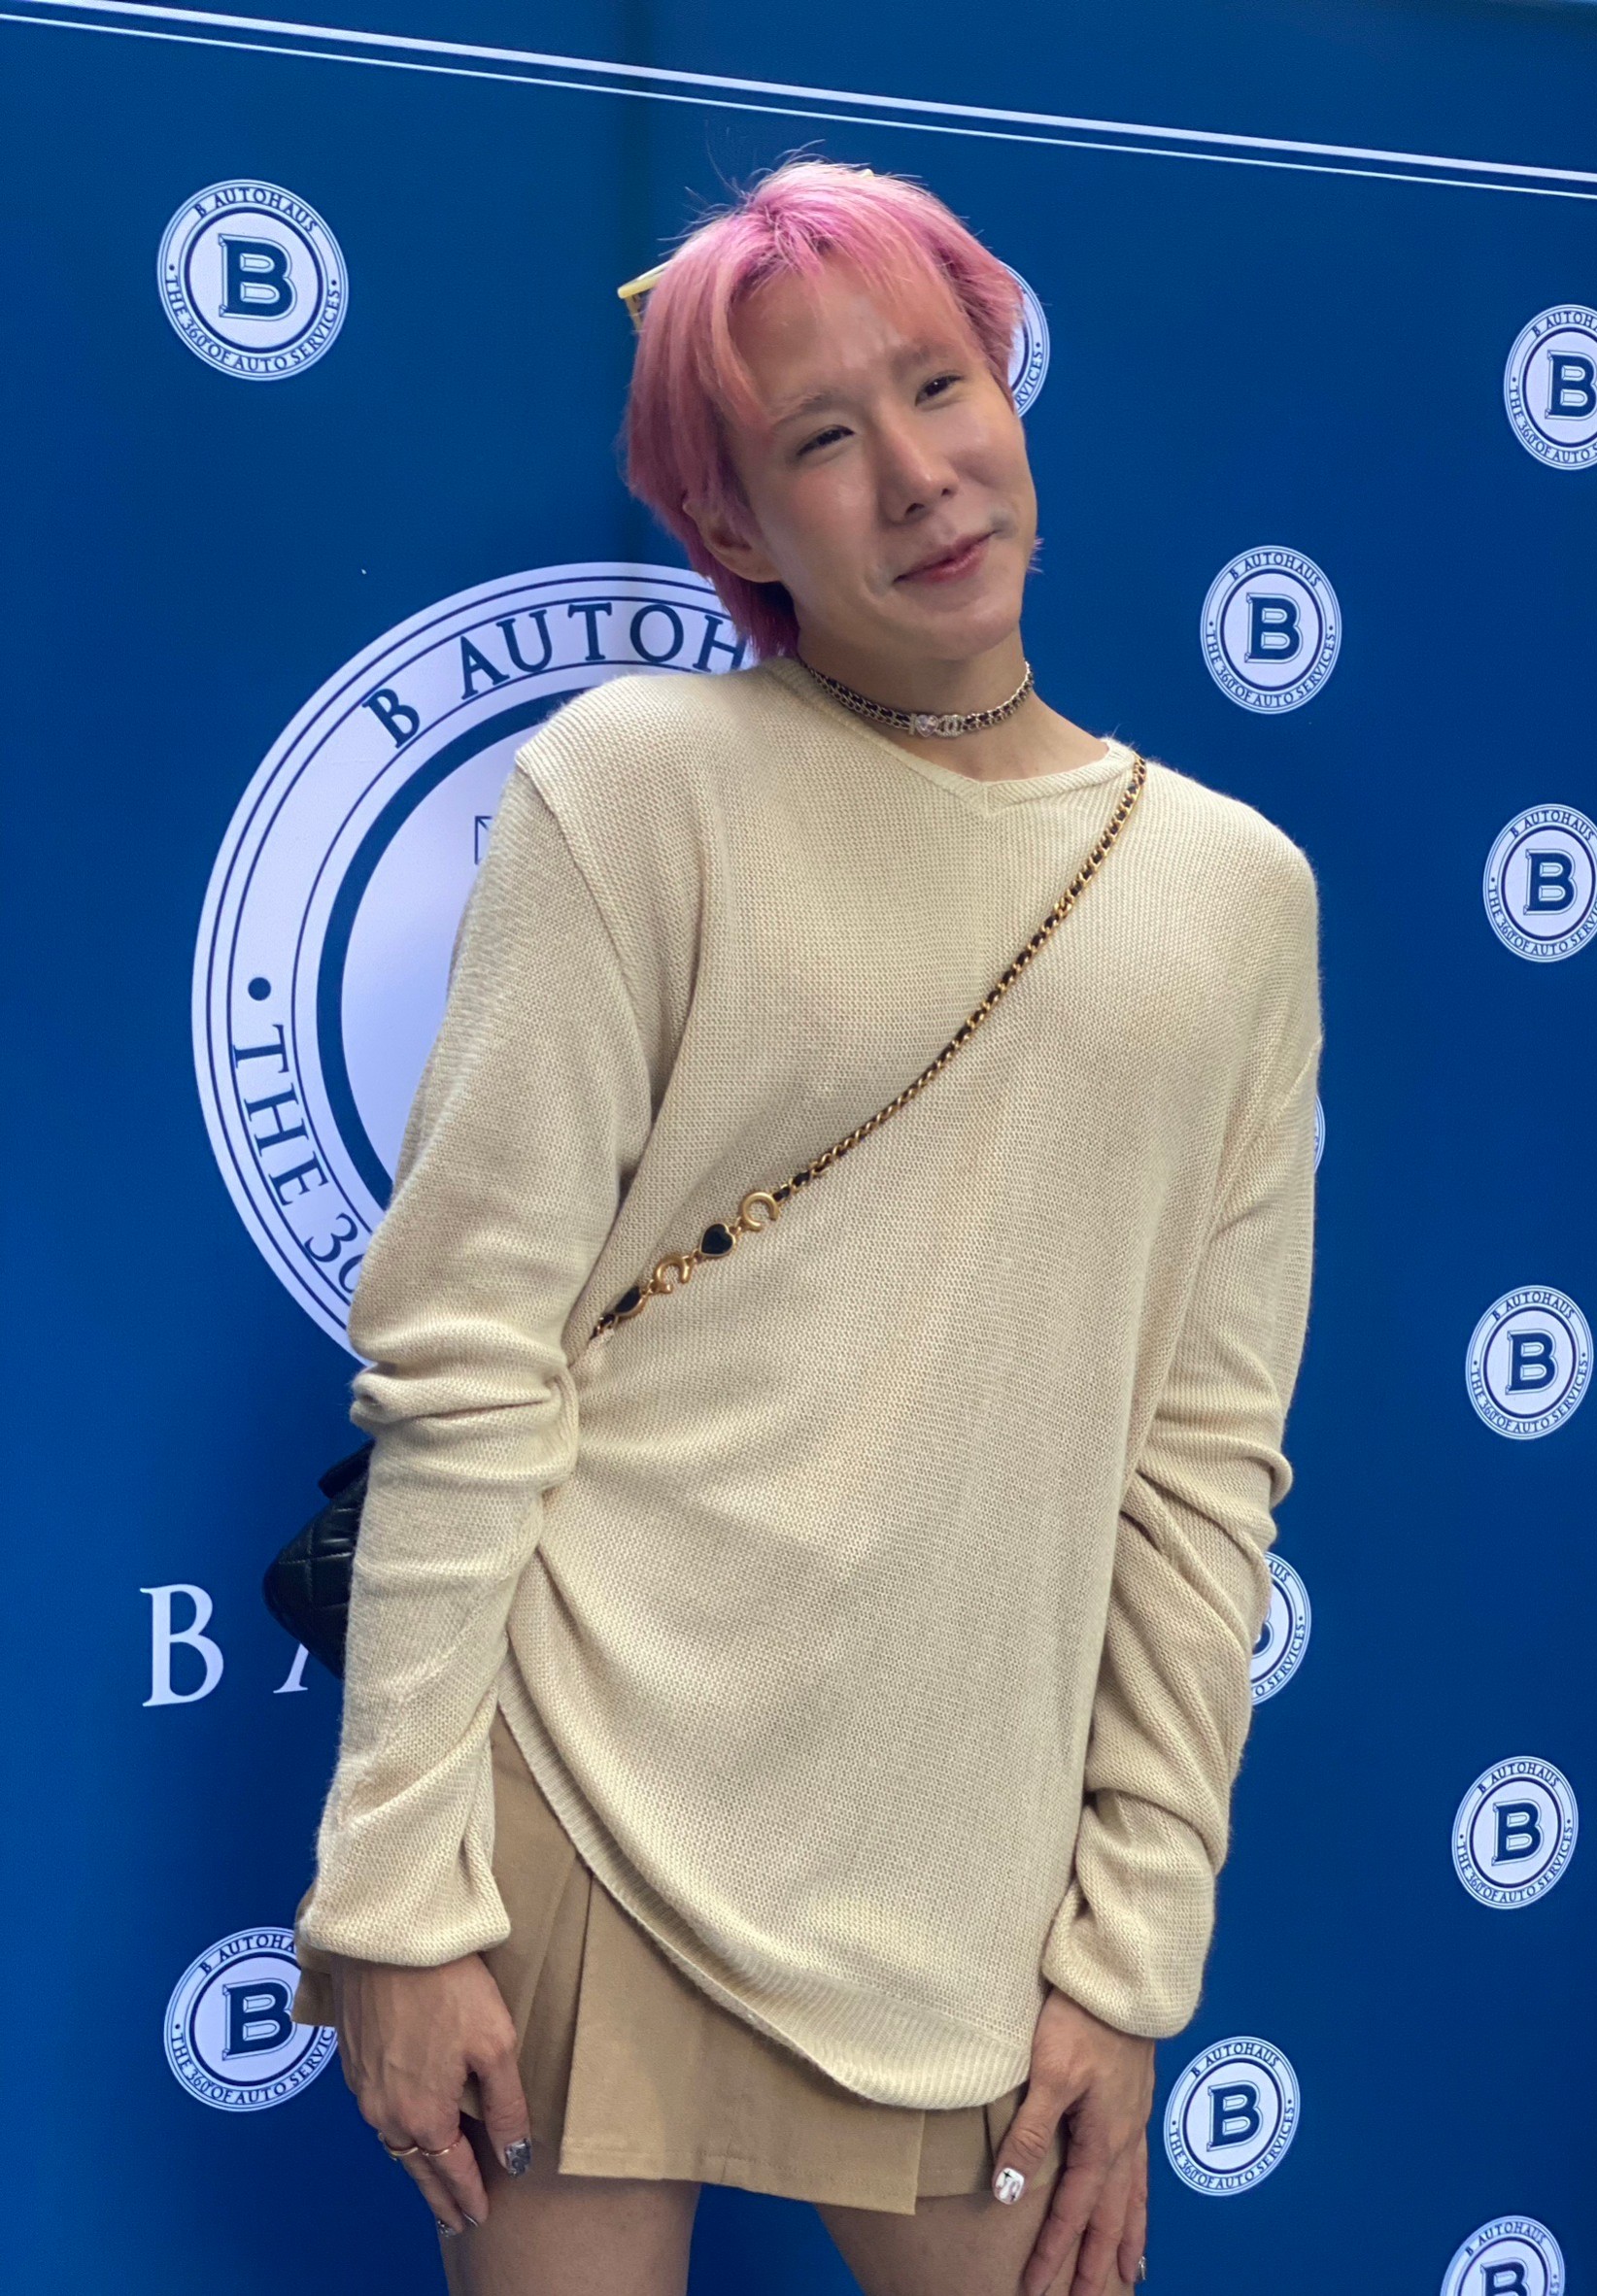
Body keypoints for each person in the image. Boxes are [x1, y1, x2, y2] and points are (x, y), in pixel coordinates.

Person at [288, 158, 1322, 2296]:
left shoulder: (1232, 895)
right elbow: (468, 1356)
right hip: (578, 1797)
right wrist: (393, 1897)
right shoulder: (633, 783)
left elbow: (1200, 1470)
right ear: (734, 525)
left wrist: (1129, 1962)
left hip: (968, 1880)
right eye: (821, 438)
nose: (916, 475)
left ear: (1008, 394)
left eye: (938, 386)